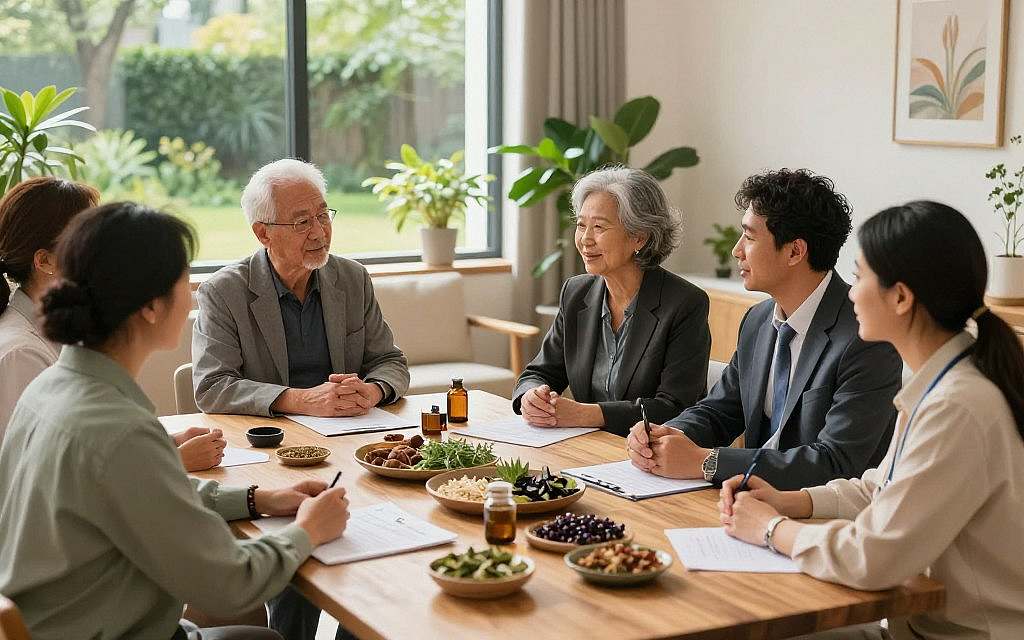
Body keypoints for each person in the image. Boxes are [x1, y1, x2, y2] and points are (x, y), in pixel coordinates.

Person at [0, 202, 351, 640]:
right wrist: (308, 530)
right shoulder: (118, 428)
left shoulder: (52, 386)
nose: (192, 295)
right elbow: (231, 583)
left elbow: (150, 492)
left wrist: (259, 498)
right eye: (185, 280)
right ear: (150, 305)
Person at [719, 201, 1024, 639]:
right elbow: (880, 488)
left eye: (860, 277)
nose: (850, 292)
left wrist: (770, 529)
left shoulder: (958, 406)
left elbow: (874, 557)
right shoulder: (941, 383)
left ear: (901, 297)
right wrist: (793, 502)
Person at [627, 169, 902, 489]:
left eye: (750, 236)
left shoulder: (866, 339)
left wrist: (707, 461)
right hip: (749, 501)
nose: (737, 250)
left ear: (795, 251)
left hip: (824, 517)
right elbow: (720, 411)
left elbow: (835, 461)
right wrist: (665, 436)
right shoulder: (757, 320)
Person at [0, 177, 226, 470]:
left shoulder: (66, 332)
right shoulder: (21, 353)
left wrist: (164, 444)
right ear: (45, 261)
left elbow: (81, 443)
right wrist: (173, 462)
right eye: (88, 240)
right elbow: (38, 471)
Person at [192, 159, 409, 418]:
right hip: (273, 438)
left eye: (322, 215)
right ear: (263, 233)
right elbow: (212, 386)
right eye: (302, 222)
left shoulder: (353, 278)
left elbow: (389, 361)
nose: (319, 232)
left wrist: (373, 391)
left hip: (347, 430)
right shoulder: (223, 292)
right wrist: (301, 400)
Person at [512, 167, 711, 436]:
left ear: (639, 236)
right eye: (581, 225)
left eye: (599, 227)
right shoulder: (576, 292)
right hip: (588, 446)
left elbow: (675, 407)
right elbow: (540, 372)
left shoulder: (685, 303)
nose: (585, 240)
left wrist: (586, 414)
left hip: (648, 454)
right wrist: (531, 396)